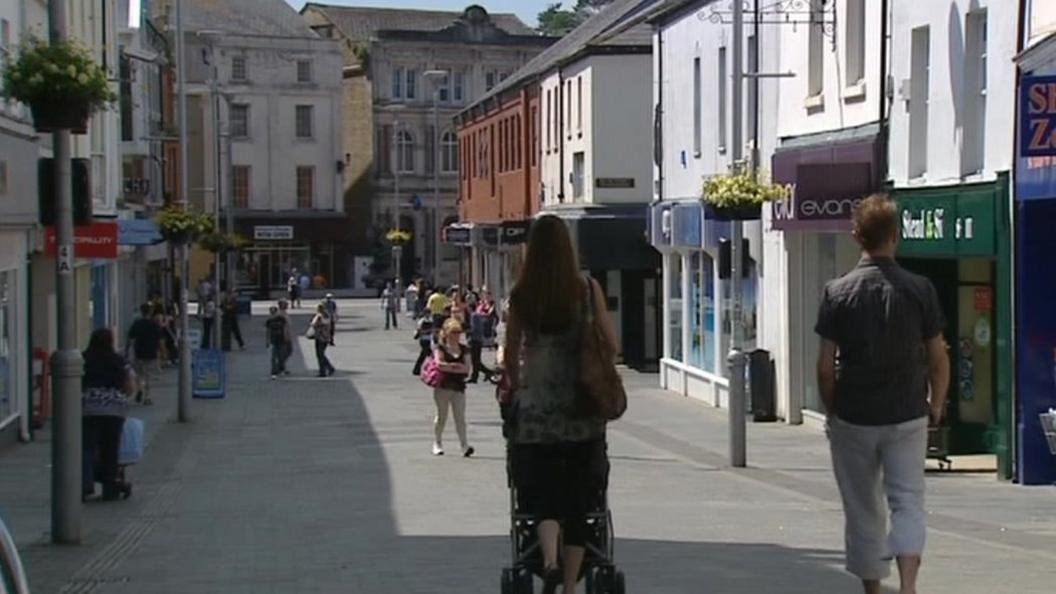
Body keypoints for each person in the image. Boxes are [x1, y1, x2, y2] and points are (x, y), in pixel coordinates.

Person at [815, 195, 950, 594]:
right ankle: (908, 585)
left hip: (855, 415)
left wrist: (833, 409)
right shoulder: (920, 289)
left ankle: (874, 590)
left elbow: (825, 366)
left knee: (862, 509)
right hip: (907, 411)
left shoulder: (837, 292)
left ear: (857, 236)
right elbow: (938, 356)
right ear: (895, 237)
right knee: (907, 500)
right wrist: (935, 405)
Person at [503, 214, 617, 594]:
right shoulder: (586, 289)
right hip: (581, 412)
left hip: (535, 416)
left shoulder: (522, 294)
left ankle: (548, 560)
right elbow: (610, 342)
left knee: (543, 492)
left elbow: (510, 354)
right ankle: (570, 586)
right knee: (580, 501)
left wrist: (514, 387)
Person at [82, 328, 135, 501]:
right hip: (114, 410)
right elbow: (130, 386)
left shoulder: (83, 359)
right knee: (110, 449)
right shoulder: (119, 361)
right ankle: (110, 488)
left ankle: (86, 483)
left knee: (87, 448)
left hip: (88, 409)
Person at [431, 318, 474, 457]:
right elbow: (439, 364)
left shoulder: (464, 349)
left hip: (459, 387)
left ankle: (464, 446)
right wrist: (456, 367)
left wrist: (450, 367)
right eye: (454, 332)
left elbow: (467, 368)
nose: (457, 335)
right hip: (443, 387)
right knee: (442, 416)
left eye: (458, 332)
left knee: (460, 417)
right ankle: (437, 442)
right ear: (447, 333)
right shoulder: (440, 348)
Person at [126, 304, 162, 405]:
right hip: (151, 352)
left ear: (141, 312)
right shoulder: (154, 324)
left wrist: (127, 350)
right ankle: (147, 396)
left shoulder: (137, 323)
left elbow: (130, 337)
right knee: (148, 375)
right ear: (150, 312)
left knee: (139, 374)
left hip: (139, 351)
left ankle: (140, 389)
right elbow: (160, 339)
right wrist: (161, 351)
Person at [467, 297, 497, 384]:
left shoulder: (473, 316)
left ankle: (488, 372)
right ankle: (474, 377)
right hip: (478, 339)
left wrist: (467, 331)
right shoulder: (477, 315)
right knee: (476, 361)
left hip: (475, 340)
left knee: (475, 360)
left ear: (470, 308)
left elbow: (474, 328)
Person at [310, 303, 335, 377]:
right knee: (322, 354)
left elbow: (313, 324)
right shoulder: (327, 316)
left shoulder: (319, 316)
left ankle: (324, 371)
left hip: (320, 337)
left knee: (320, 355)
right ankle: (328, 368)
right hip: (326, 337)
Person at [265, 306, 289, 379]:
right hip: (274, 340)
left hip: (281, 339)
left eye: (274, 312)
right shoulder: (269, 321)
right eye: (271, 312)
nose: (273, 314)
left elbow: (285, 328)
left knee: (281, 356)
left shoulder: (281, 319)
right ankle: (274, 372)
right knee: (274, 357)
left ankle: (281, 368)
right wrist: (267, 340)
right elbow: (268, 331)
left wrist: (286, 337)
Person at [277, 299, 293, 375]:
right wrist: (284, 335)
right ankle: (280, 367)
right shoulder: (280, 314)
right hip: (283, 336)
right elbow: (281, 326)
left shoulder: (284, 313)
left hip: (287, 335)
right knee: (285, 352)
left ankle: (281, 366)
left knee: (288, 351)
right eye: (286, 304)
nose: (287, 305)